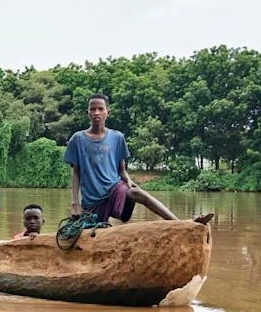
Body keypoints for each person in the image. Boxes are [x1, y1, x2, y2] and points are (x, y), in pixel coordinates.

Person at [64, 93, 180, 224]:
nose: (97, 112)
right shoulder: (78, 139)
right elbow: (75, 172)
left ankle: (181, 223)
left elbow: (122, 170)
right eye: (93, 109)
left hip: (114, 189)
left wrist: (129, 180)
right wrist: (75, 203)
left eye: (101, 109)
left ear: (108, 112)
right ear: (87, 113)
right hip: (92, 201)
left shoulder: (117, 137)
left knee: (136, 193)